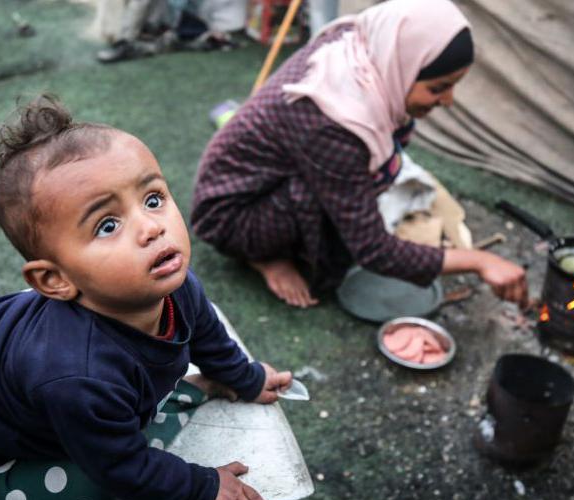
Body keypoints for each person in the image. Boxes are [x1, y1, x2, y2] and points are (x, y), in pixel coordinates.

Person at [0, 96, 292, 500]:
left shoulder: (176, 286)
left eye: (154, 198)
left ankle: (164, 402)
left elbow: (210, 338)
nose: (151, 227)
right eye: (108, 225)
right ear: (55, 281)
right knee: (98, 485)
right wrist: (204, 486)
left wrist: (245, 377)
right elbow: (124, 471)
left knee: (110, 427)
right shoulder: (78, 375)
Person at [191, 0, 529, 308]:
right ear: (402, 66)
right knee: (332, 215)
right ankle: (263, 257)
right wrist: (479, 261)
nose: (448, 101)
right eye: (438, 87)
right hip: (230, 216)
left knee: (357, 182)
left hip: (270, 178)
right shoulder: (332, 118)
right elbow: (374, 251)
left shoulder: (366, 45)